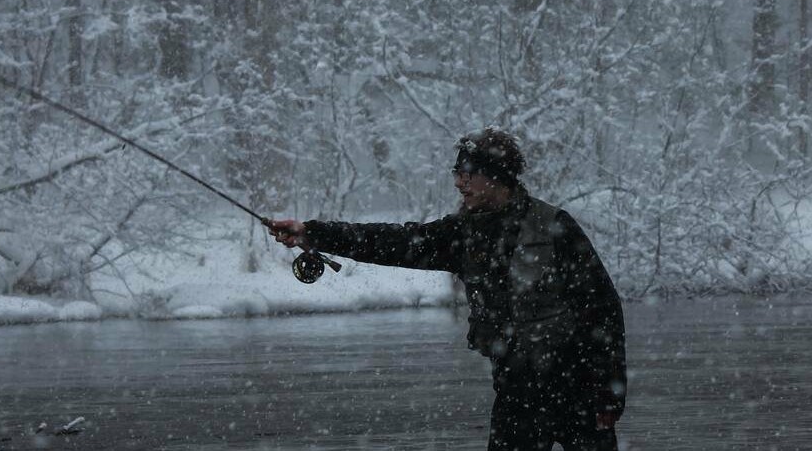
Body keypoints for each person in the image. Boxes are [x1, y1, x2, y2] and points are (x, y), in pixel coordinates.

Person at [263, 128, 627, 450]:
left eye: (468, 173)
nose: (459, 182)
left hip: (580, 389)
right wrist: (312, 232)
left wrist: (610, 394)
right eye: (457, 172)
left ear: (498, 177)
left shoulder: (555, 227)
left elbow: (603, 310)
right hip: (516, 392)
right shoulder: (462, 234)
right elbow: (393, 241)